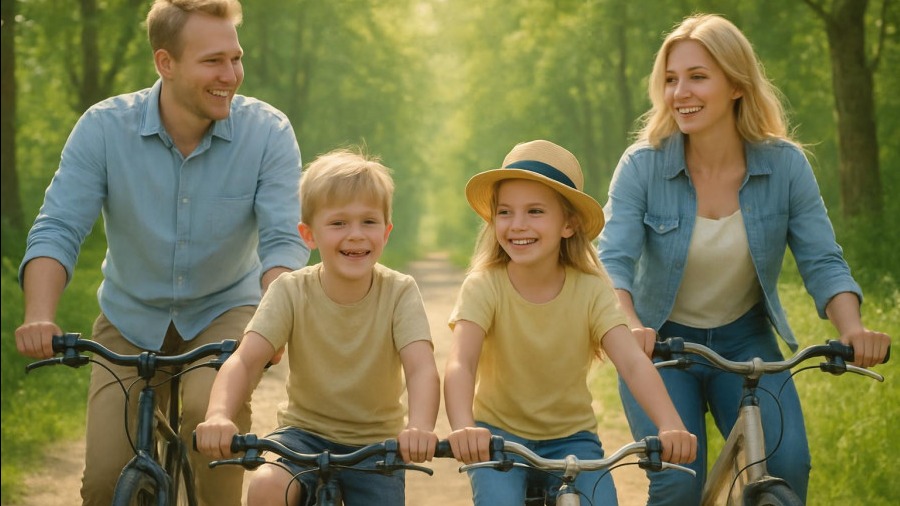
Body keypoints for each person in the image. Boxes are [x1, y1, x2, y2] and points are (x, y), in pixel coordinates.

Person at [13, 1, 310, 505]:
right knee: (106, 483)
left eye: (236, 59)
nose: (231, 75)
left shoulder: (268, 132)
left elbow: (282, 240)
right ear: (165, 63)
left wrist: (273, 319)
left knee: (206, 415)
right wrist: (39, 316)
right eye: (213, 61)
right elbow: (59, 226)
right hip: (131, 317)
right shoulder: (105, 128)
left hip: (225, 309)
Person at [597, 13, 892, 506]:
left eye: (697, 77)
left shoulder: (785, 165)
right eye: (670, 79)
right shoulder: (643, 166)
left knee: (787, 466)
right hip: (660, 345)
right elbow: (612, 260)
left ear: (736, 84)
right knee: (678, 479)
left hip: (745, 338)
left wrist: (853, 328)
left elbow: (823, 259)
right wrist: (627, 324)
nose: (679, 92)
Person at [443, 139, 697, 505]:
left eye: (534, 211)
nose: (517, 225)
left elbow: (631, 362)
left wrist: (670, 422)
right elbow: (461, 363)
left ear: (568, 224)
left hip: (572, 437)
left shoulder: (591, 289)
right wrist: (464, 426)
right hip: (497, 436)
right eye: (505, 212)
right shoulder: (485, 285)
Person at [195, 148, 441, 506]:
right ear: (308, 235)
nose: (355, 235)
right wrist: (218, 414)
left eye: (368, 222)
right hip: (302, 436)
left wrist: (419, 427)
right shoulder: (290, 290)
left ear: (386, 232)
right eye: (339, 223)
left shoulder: (400, 291)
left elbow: (421, 368)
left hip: (376, 444)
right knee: (265, 487)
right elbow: (246, 360)